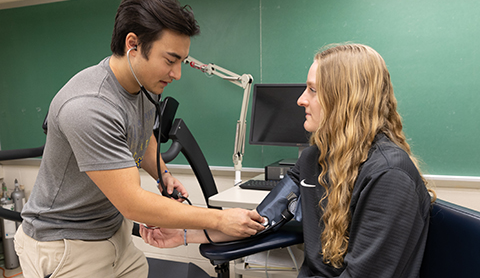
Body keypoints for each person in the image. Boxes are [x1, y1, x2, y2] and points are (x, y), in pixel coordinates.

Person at [14, 0, 265, 278]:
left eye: (181, 62)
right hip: (64, 246)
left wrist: (162, 173)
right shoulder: (89, 107)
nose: (177, 74)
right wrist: (220, 219)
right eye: (170, 60)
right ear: (133, 44)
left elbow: (142, 133)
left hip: (113, 233)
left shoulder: (144, 84)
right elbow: (133, 202)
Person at [140, 43, 435, 278]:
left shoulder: (389, 176)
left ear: (347, 99)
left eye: (313, 90)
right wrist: (183, 235)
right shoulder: (314, 158)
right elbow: (263, 219)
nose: (301, 100)